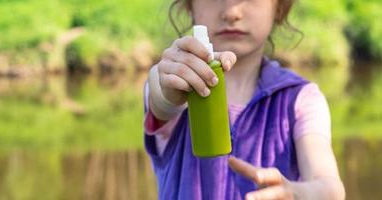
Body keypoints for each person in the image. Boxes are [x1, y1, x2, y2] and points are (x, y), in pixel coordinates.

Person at [143, 0, 345, 199]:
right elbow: (161, 99)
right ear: (189, 6)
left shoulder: (302, 99)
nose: (232, 12)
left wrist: (296, 193)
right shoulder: (174, 80)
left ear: (279, 7)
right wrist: (167, 89)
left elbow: (329, 188)